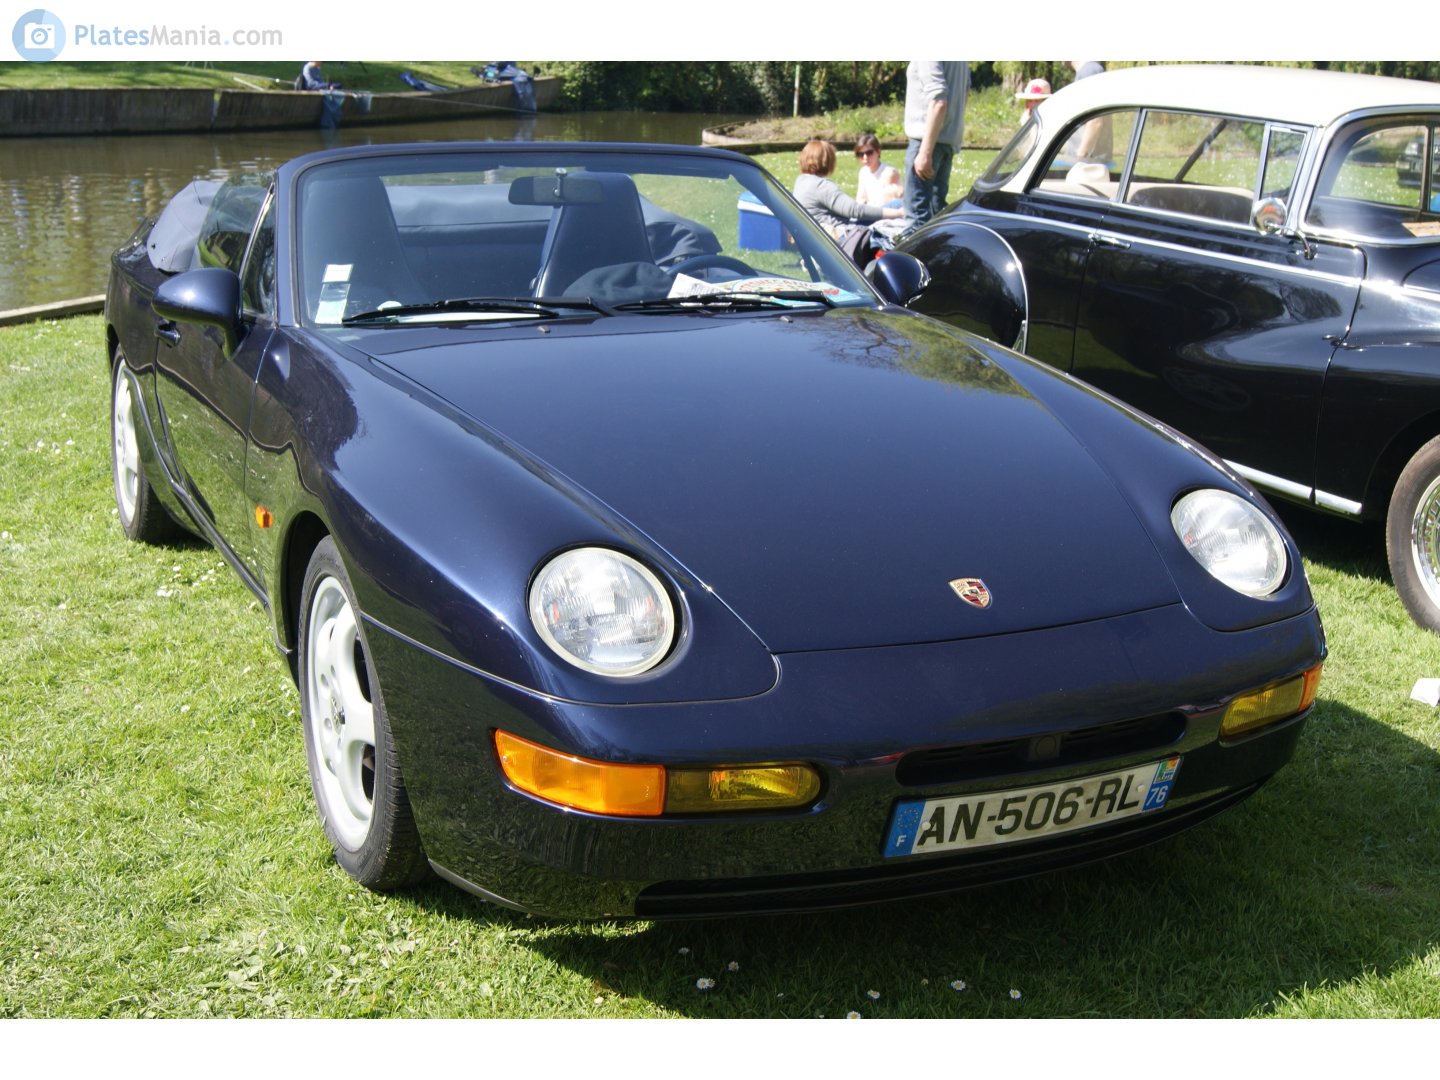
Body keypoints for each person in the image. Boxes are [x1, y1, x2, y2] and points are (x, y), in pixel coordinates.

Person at [793, 140, 905, 264]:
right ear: (828, 160)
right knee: (899, 205)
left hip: (820, 238)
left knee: (895, 205)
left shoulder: (801, 181)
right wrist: (898, 213)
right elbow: (855, 210)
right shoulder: (820, 186)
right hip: (843, 237)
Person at [902, 61, 969, 231]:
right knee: (937, 220)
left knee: (917, 223)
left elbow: (939, 102)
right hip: (946, 143)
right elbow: (965, 93)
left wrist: (925, 152)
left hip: (927, 144)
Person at [854, 133, 904, 207]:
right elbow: (860, 199)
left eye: (869, 153)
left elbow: (887, 203)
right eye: (861, 154)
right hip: (872, 212)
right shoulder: (863, 172)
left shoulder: (889, 173)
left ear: (878, 152)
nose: (865, 157)